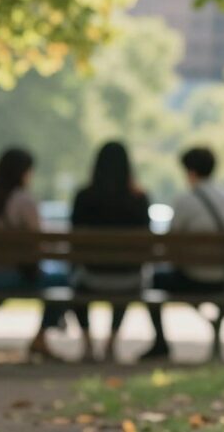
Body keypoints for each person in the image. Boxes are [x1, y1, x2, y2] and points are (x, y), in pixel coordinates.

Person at [139, 147, 224, 361]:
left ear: (190, 171)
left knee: (152, 280)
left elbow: (170, 244)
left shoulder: (184, 200)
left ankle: (160, 342)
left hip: (192, 278)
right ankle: (214, 336)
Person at [0, 147, 67, 362]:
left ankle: (46, 334)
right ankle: (43, 336)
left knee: (56, 279)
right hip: (15, 276)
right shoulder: (23, 201)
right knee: (61, 280)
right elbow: (39, 240)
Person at [69, 141, 151, 363]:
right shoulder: (139, 199)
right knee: (125, 271)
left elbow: (74, 243)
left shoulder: (84, 197)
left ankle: (87, 342)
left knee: (75, 280)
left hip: (90, 278)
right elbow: (146, 246)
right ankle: (111, 342)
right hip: (128, 280)